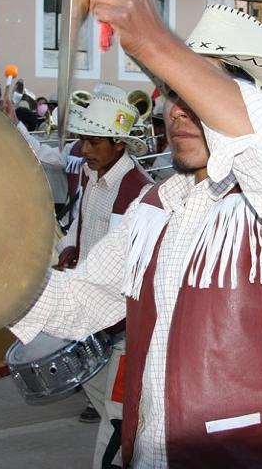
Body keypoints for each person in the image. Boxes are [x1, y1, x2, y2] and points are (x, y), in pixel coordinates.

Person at [10, 0, 262, 468]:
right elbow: (78, 302)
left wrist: (155, 41)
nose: (177, 109)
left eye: (196, 90)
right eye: (170, 90)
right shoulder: (158, 203)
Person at [53, 84, 153, 468]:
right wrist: (68, 250)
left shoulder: (138, 191)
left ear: (118, 143)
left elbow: (124, 263)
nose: (85, 150)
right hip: (92, 314)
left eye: (94, 142)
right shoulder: (94, 178)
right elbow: (81, 222)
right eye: (83, 140)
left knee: (115, 411)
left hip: (121, 324)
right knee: (102, 397)